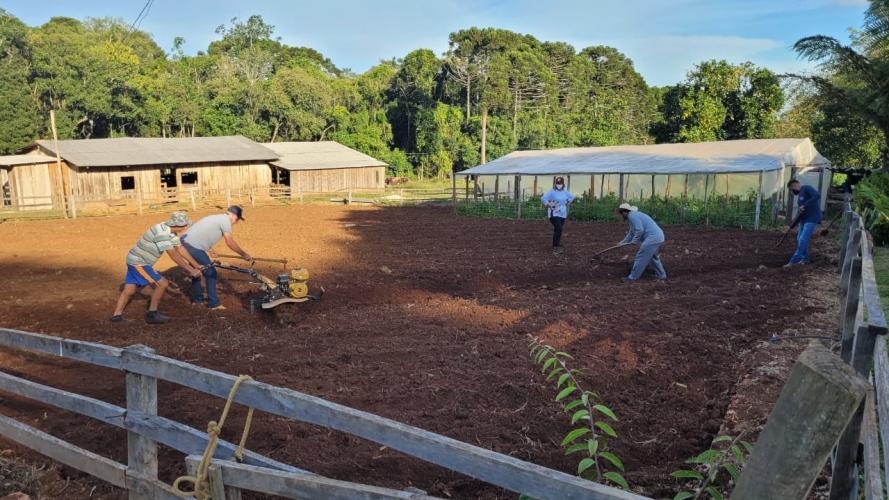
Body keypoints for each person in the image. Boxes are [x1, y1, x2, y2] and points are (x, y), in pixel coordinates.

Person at [112, 211, 203, 324]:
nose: (186, 227)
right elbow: (173, 255)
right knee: (162, 283)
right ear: (176, 225)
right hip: (139, 262)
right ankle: (152, 314)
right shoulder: (161, 234)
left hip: (134, 259)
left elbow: (180, 249)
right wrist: (191, 270)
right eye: (184, 225)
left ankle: (116, 316)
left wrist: (196, 265)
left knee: (129, 290)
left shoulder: (171, 232)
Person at [181, 206, 253, 310]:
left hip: (186, 243)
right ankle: (213, 303)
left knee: (197, 270)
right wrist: (244, 254)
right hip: (194, 246)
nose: (236, 222)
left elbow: (203, 234)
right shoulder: (225, 221)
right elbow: (229, 242)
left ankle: (197, 300)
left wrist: (210, 251)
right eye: (237, 219)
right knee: (211, 273)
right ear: (233, 215)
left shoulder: (216, 218)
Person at [616, 203, 667, 281]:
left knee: (641, 256)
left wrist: (634, 241)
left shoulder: (631, 215)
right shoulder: (633, 217)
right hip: (658, 236)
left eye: (621, 213)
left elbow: (640, 230)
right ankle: (661, 275)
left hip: (653, 238)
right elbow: (631, 233)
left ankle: (632, 277)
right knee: (652, 257)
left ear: (624, 212)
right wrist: (622, 243)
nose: (621, 215)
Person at [784, 179, 823, 267]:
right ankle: (805, 259)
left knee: (802, 239)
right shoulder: (800, 198)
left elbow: (817, 195)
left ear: (797, 184)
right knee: (799, 239)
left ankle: (794, 261)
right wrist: (791, 226)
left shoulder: (806, 188)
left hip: (812, 218)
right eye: (791, 189)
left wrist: (804, 205)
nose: (793, 190)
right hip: (804, 220)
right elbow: (800, 213)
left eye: (792, 187)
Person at [540, 176, 575, 252]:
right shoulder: (552, 191)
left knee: (558, 229)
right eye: (557, 183)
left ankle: (556, 244)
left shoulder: (565, 192)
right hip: (554, 213)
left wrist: (568, 202)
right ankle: (556, 245)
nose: (559, 185)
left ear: (563, 184)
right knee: (559, 228)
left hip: (562, 213)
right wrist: (548, 204)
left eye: (560, 183)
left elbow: (573, 196)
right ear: (555, 184)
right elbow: (543, 198)